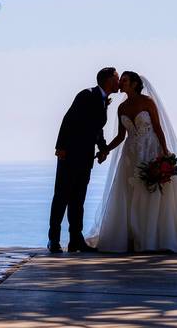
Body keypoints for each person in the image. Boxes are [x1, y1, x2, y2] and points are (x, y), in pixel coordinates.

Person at [90, 71, 177, 253]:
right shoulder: (121, 108)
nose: (121, 83)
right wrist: (105, 150)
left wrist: (165, 153)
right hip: (130, 156)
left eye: (124, 80)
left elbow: (158, 129)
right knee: (130, 194)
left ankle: (155, 238)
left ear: (134, 84)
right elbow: (120, 136)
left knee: (153, 193)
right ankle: (132, 238)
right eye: (121, 80)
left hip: (151, 150)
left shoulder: (148, 102)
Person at [48, 67, 119, 253]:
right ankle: (53, 239)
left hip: (85, 157)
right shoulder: (87, 95)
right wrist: (60, 147)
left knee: (78, 199)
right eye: (117, 78)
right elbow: (68, 120)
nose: (119, 82)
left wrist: (102, 148)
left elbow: (97, 129)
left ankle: (75, 240)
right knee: (62, 197)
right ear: (108, 80)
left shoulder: (103, 101)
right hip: (70, 154)